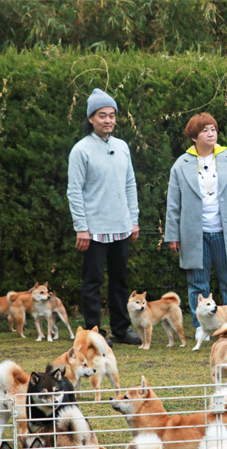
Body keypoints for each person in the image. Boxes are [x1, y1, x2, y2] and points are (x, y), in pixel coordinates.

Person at [164, 113, 227, 341]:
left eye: (213, 129)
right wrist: (172, 235)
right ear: (194, 136)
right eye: (205, 130)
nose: (211, 133)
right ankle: (201, 326)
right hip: (194, 234)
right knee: (197, 283)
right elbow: (173, 203)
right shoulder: (181, 164)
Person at [67, 88, 142, 346]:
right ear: (91, 119)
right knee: (93, 283)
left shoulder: (121, 147)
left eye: (112, 115)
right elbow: (74, 191)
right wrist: (81, 228)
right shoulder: (81, 150)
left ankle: (120, 330)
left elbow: (130, 184)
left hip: (121, 227)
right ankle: (93, 333)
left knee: (120, 281)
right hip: (94, 230)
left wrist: (133, 220)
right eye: (102, 115)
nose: (108, 120)